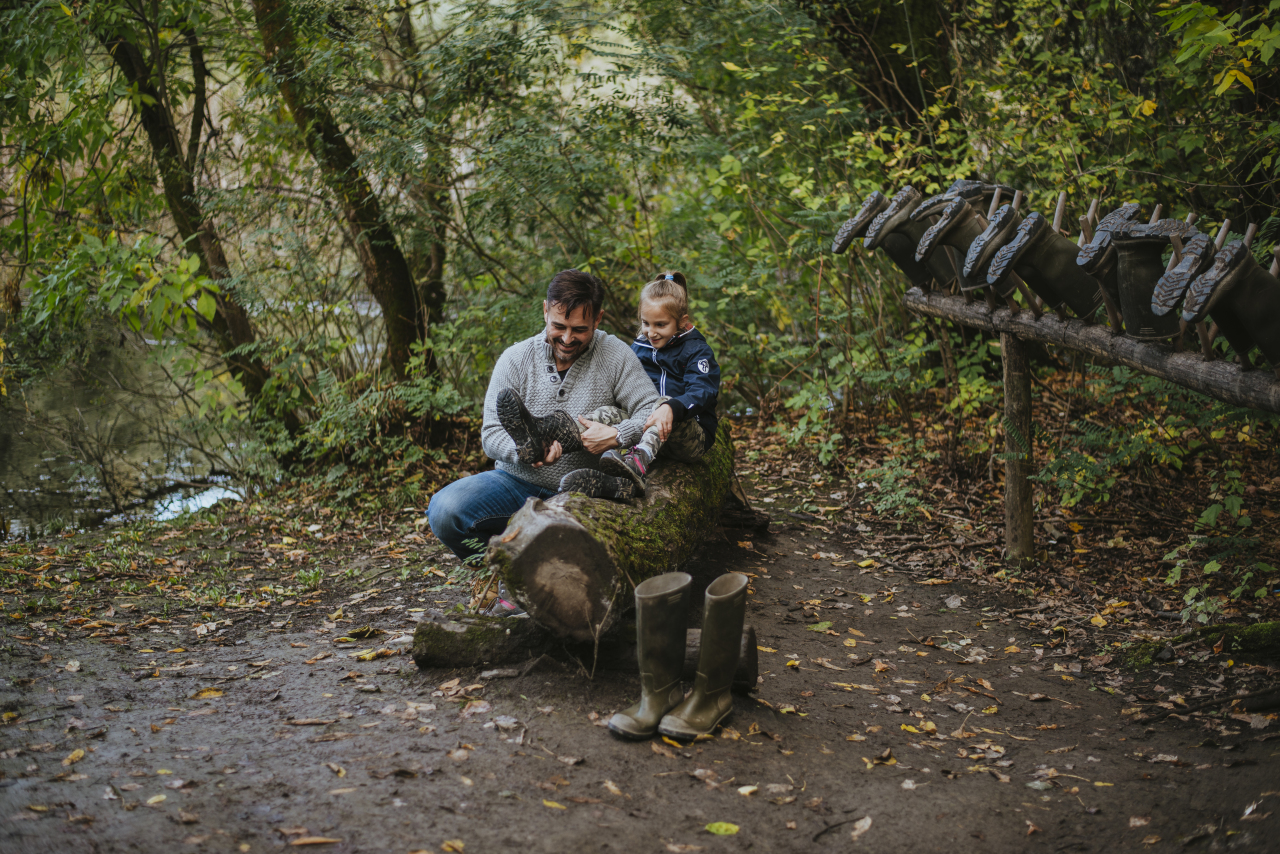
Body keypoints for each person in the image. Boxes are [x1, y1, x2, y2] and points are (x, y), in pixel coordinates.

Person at [426, 270, 661, 611]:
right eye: (558, 326)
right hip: (516, 482)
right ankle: (505, 571)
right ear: (545, 311)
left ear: (598, 319)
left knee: (609, 420)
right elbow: (491, 435)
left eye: (579, 329)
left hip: (584, 490)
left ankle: (557, 433)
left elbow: (651, 409)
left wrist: (617, 435)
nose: (567, 338)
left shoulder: (615, 355)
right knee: (445, 510)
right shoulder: (515, 359)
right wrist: (524, 453)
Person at [586, 271, 720, 496]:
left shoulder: (697, 351)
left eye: (660, 324)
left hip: (688, 437)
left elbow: (703, 390)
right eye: (645, 323)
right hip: (646, 424)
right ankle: (562, 435)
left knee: (664, 403)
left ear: (682, 321)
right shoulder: (640, 346)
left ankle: (638, 462)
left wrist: (672, 408)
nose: (651, 332)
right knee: (607, 412)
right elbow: (625, 383)